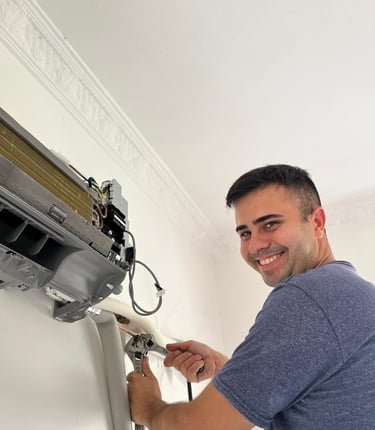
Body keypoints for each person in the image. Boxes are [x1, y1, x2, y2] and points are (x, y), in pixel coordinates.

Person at [127, 164, 375, 429]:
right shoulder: (349, 294)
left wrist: (150, 409)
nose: (254, 245)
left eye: (270, 224)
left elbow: (200, 426)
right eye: (245, 233)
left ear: (317, 222)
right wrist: (230, 370)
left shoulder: (309, 297)